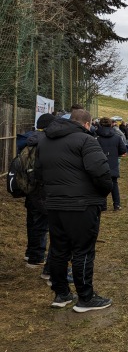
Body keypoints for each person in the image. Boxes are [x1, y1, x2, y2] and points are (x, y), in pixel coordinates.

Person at [36, 108, 113, 312]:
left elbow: (38, 172)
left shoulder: (44, 141)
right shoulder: (86, 140)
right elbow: (101, 172)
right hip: (82, 205)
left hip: (54, 205)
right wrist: (103, 192)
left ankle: (61, 293)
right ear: (87, 124)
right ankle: (85, 298)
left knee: (59, 250)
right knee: (83, 250)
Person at [23, 113, 55, 270]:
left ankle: (30, 253)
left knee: (32, 221)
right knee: (42, 225)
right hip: (42, 187)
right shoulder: (47, 142)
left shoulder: (29, 139)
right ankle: (36, 257)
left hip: (30, 186)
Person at [96, 117, 127, 211]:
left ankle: (103, 205)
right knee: (114, 185)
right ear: (111, 125)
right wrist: (114, 154)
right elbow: (123, 150)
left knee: (101, 185)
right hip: (113, 163)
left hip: (100, 164)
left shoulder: (96, 138)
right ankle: (116, 205)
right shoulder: (117, 137)